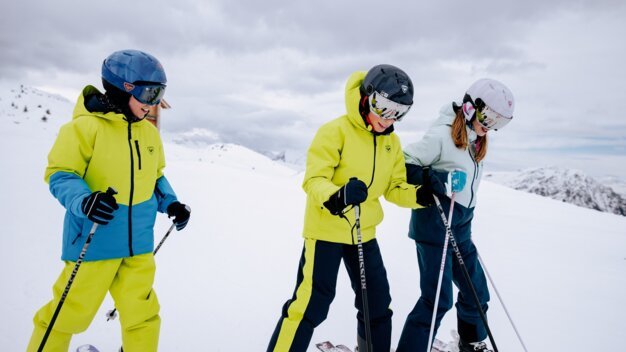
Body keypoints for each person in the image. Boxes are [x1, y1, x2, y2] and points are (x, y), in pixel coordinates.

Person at [26, 49, 191, 352]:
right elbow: (60, 174)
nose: (153, 103)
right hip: (94, 241)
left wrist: (171, 203)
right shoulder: (84, 128)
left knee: (143, 316)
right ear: (122, 87)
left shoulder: (149, 134)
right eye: (149, 93)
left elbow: (154, 179)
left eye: (160, 94)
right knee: (67, 314)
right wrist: (85, 200)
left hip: (138, 246)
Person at [266, 64, 435, 352]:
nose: (388, 118)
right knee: (310, 305)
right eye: (383, 107)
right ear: (367, 96)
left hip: (363, 233)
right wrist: (338, 195)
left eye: (399, 111)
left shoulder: (391, 143)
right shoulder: (335, 131)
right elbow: (314, 179)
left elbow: (394, 187)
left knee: (377, 305)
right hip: (326, 232)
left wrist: (420, 196)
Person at [396, 78, 515, 352]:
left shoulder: (476, 141)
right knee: (437, 300)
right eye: (488, 116)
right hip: (434, 228)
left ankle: (471, 343)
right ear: (470, 107)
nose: (490, 126)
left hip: (461, 229)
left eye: (499, 122)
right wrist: (435, 177)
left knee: (477, 293)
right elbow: (402, 163)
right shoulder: (441, 135)